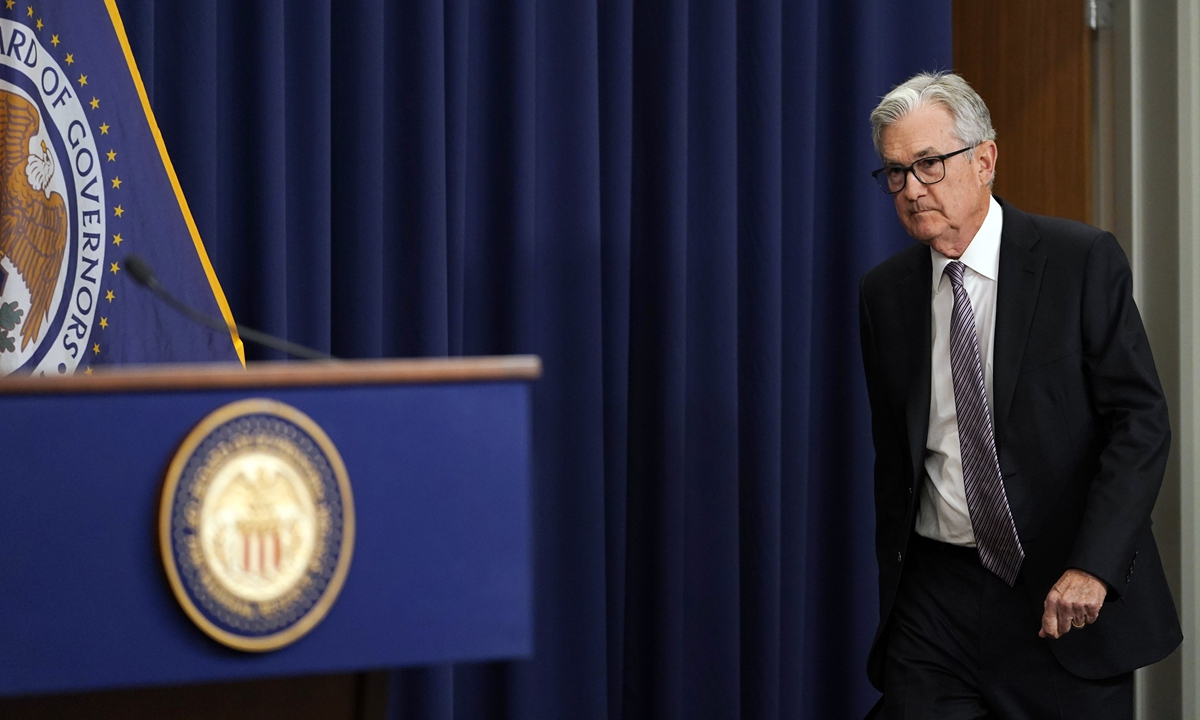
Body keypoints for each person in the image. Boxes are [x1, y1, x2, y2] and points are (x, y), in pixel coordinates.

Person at [858, 72, 1181, 718]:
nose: (911, 189)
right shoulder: (884, 294)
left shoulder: (1079, 261)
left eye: (927, 165)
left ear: (985, 159)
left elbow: (1139, 423)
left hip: (1060, 595)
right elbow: (896, 457)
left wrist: (1096, 564)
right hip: (935, 599)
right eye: (894, 173)